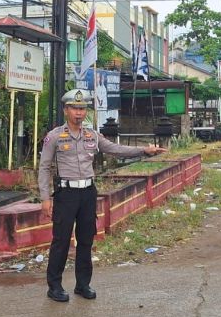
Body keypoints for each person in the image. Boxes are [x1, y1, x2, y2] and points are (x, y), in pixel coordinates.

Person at [38, 89, 167, 302]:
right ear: (66, 110)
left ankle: (83, 284)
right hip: (66, 194)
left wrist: (144, 150)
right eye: (74, 108)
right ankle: (55, 286)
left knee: (86, 240)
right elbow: (44, 168)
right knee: (61, 240)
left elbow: (115, 149)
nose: (79, 113)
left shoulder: (92, 135)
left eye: (82, 109)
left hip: (88, 193)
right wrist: (45, 198)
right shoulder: (54, 137)